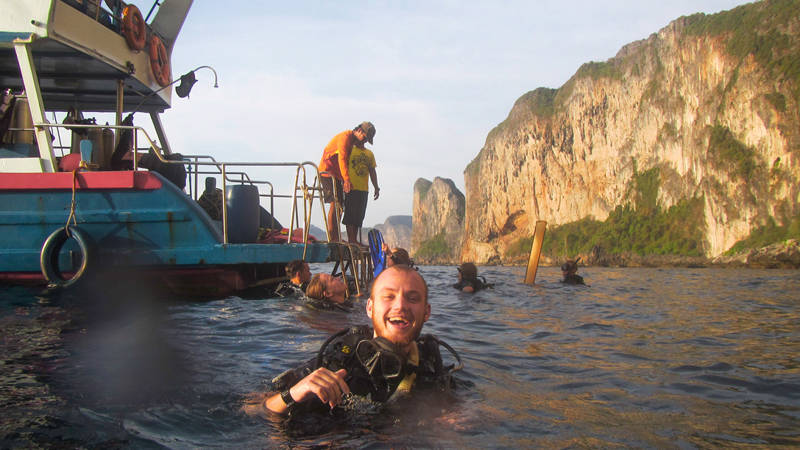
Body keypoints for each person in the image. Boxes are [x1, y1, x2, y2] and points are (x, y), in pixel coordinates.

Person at [247, 265, 459, 416]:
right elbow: (250, 407)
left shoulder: (430, 363)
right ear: (369, 308)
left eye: (412, 299)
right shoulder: (340, 360)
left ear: (426, 312)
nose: (400, 306)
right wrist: (292, 394)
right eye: (389, 296)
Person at [318, 122, 376, 242]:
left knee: (340, 206)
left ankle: (336, 236)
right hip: (326, 172)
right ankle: (333, 237)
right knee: (335, 202)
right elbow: (342, 159)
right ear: (359, 131)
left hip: (336, 175)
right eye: (365, 138)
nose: (364, 141)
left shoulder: (351, 142)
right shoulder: (345, 138)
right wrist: (347, 180)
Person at [343, 143, 380, 244]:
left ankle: (354, 239)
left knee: (359, 216)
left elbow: (372, 171)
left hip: (363, 189)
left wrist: (376, 187)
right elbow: (343, 165)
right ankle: (351, 239)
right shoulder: (349, 150)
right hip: (350, 187)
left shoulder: (369, 154)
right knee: (350, 215)